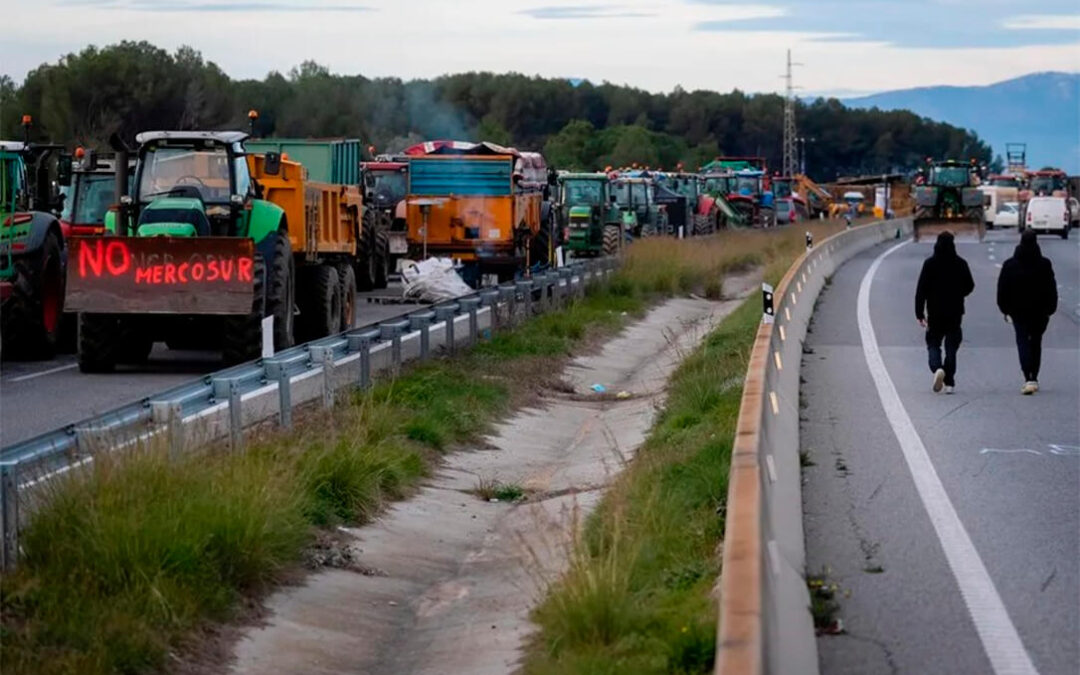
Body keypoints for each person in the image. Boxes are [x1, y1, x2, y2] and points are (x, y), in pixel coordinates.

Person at [996, 229, 1058, 394]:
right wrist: (1051, 308)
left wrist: (1004, 308)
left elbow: (1002, 288)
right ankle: (1034, 376)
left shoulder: (1010, 265)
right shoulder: (1044, 264)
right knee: (1036, 343)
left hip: (1018, 311)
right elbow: (1051, 288)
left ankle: (1027, 376)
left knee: (1022, 341)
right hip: (1040, 311)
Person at [915, 231, 975, 394]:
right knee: (952, 346)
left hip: (935, 311)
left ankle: (937, 368)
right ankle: (950, 382)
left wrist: (919, 313)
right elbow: (970, 285)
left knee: (933, 342)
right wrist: (959, 293)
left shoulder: (930, 264)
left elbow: (921, 290)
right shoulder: (960, 263)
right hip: (955, 311)